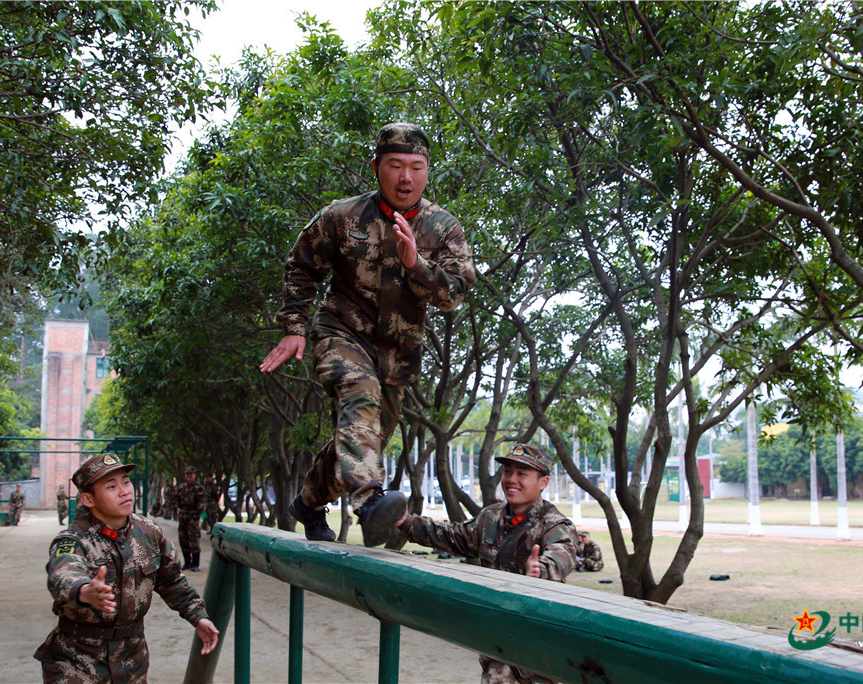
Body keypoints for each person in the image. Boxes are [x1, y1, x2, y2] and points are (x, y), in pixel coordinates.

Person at [261, 122, 476, 547]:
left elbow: (453, 295)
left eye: (416, 167)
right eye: (395, 165)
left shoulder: (444, 228)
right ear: (376, 167)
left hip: (397, 355)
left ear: (427, 172)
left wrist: (416, 264)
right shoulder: (341, 216)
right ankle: (369, 502)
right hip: (341, 333)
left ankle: (307, 501)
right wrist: (294, 327)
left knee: (364, 439)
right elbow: (302, 264)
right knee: (360, 395)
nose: (405, 177)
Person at [397, 443, 577, 684]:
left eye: (522, 473)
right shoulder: (490, 517)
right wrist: (406, 522)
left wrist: (541, 570)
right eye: (507, 472)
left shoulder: (554, 524)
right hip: (498, 640)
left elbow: (562, 553)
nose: (512, 479)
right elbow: (452, 535)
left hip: (538, 647)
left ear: (543, 482)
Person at [34, 452, 218, 683]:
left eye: (126, 482)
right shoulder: (74, 540)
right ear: (89, 500)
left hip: (132, 659)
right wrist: (83, 590)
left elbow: (171, 581)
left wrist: (198, 617)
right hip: (77, 660)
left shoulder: (149, 533)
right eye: (111, 487)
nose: (124, 491)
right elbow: (62, 574)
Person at [174, 466, 205, 572]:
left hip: (192, 519)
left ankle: (195, 564)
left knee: (194, 542)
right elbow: (177, 500)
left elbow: (201, 505)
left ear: (195, 475)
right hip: (183, 518)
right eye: (187, 474)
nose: (189, 476)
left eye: (191, 474)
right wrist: (177, 509)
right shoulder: (181, 487)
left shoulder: (199, 488)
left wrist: (195, 519)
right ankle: (187, 563)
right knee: (184, 541)